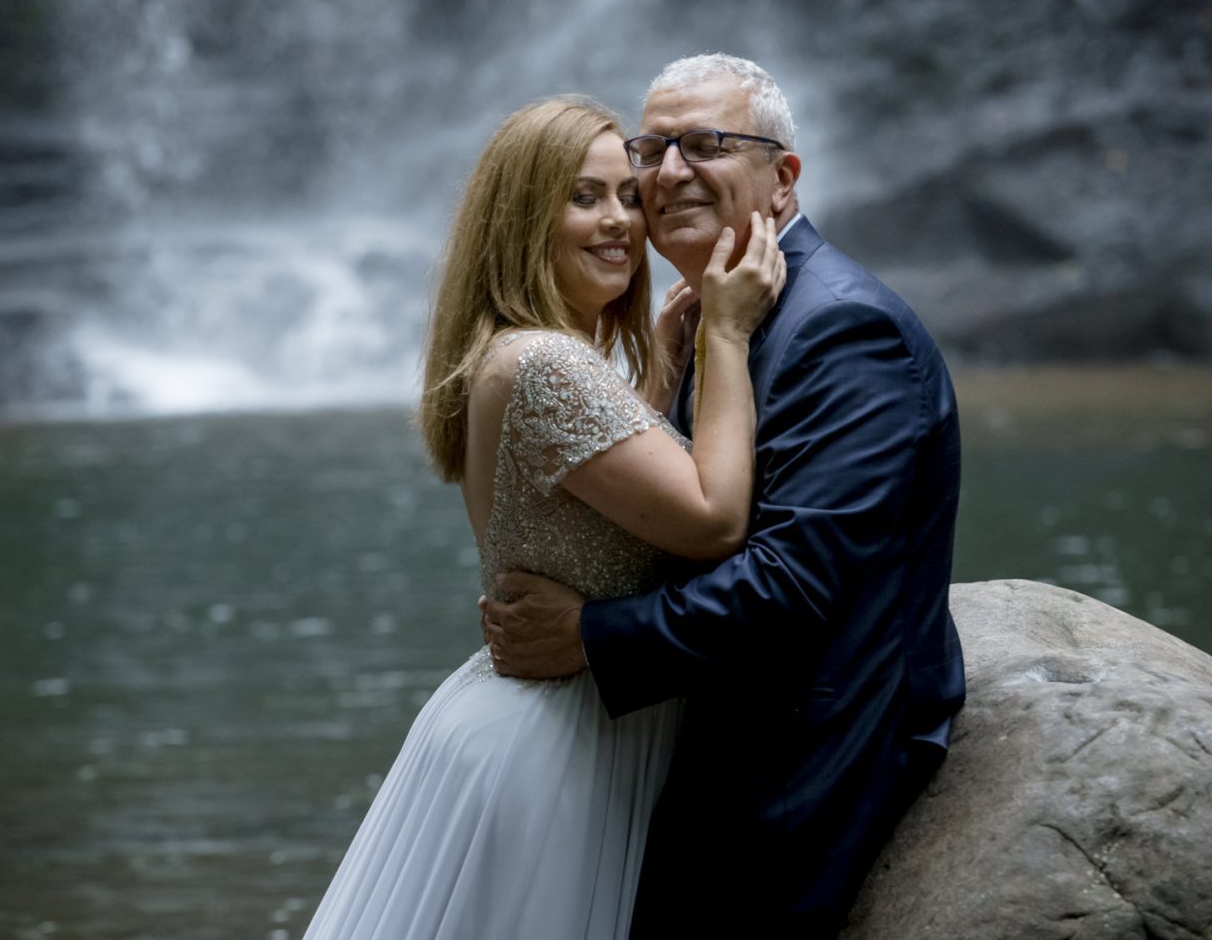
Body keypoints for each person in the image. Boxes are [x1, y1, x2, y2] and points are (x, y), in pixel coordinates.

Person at [484, 54, 966, 940]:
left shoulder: (840, 328)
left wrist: (588, 637)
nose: (666, 174)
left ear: (781, 179)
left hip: (809, 757)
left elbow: (794, 583)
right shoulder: (718, 316)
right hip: (718, 739)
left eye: (705, 144)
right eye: (652, 148)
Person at [300, 95, 785, 940]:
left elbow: (589, 512)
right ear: (522, 218)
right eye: (582, 197)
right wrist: (730, 339)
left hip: (534, 723)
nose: (619, 223)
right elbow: (712, 519)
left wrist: (661, 385)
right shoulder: (551, 365)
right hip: (555, 745)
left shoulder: (521, 354)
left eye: (626, 197)